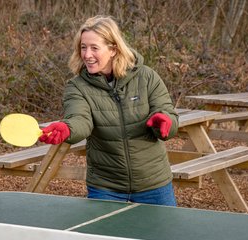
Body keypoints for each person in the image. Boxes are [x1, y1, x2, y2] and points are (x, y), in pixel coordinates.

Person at [39, 15, 179, 206]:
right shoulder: (77, 87)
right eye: (83, 47)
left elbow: (166, 112)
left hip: (153, 184)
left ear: (113, 49)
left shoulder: (147, 77)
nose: (87, 54)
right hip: (106, 187)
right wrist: (67, 128)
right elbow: (80, 119)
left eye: (94, 48)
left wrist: (164, 122)